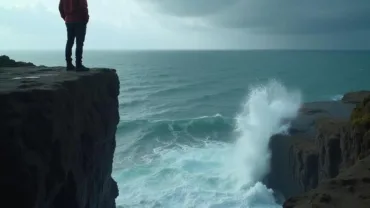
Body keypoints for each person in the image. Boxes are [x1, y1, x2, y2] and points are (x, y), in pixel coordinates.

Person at [59, 0, 89, 71]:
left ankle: (69, 64)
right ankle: (78, 65)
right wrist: (86, 19)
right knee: (79, 43)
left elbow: (60, 7)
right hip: (80, 20)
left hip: (69, 21)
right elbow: (83, 7)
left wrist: (65, 17)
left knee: (69, 42)